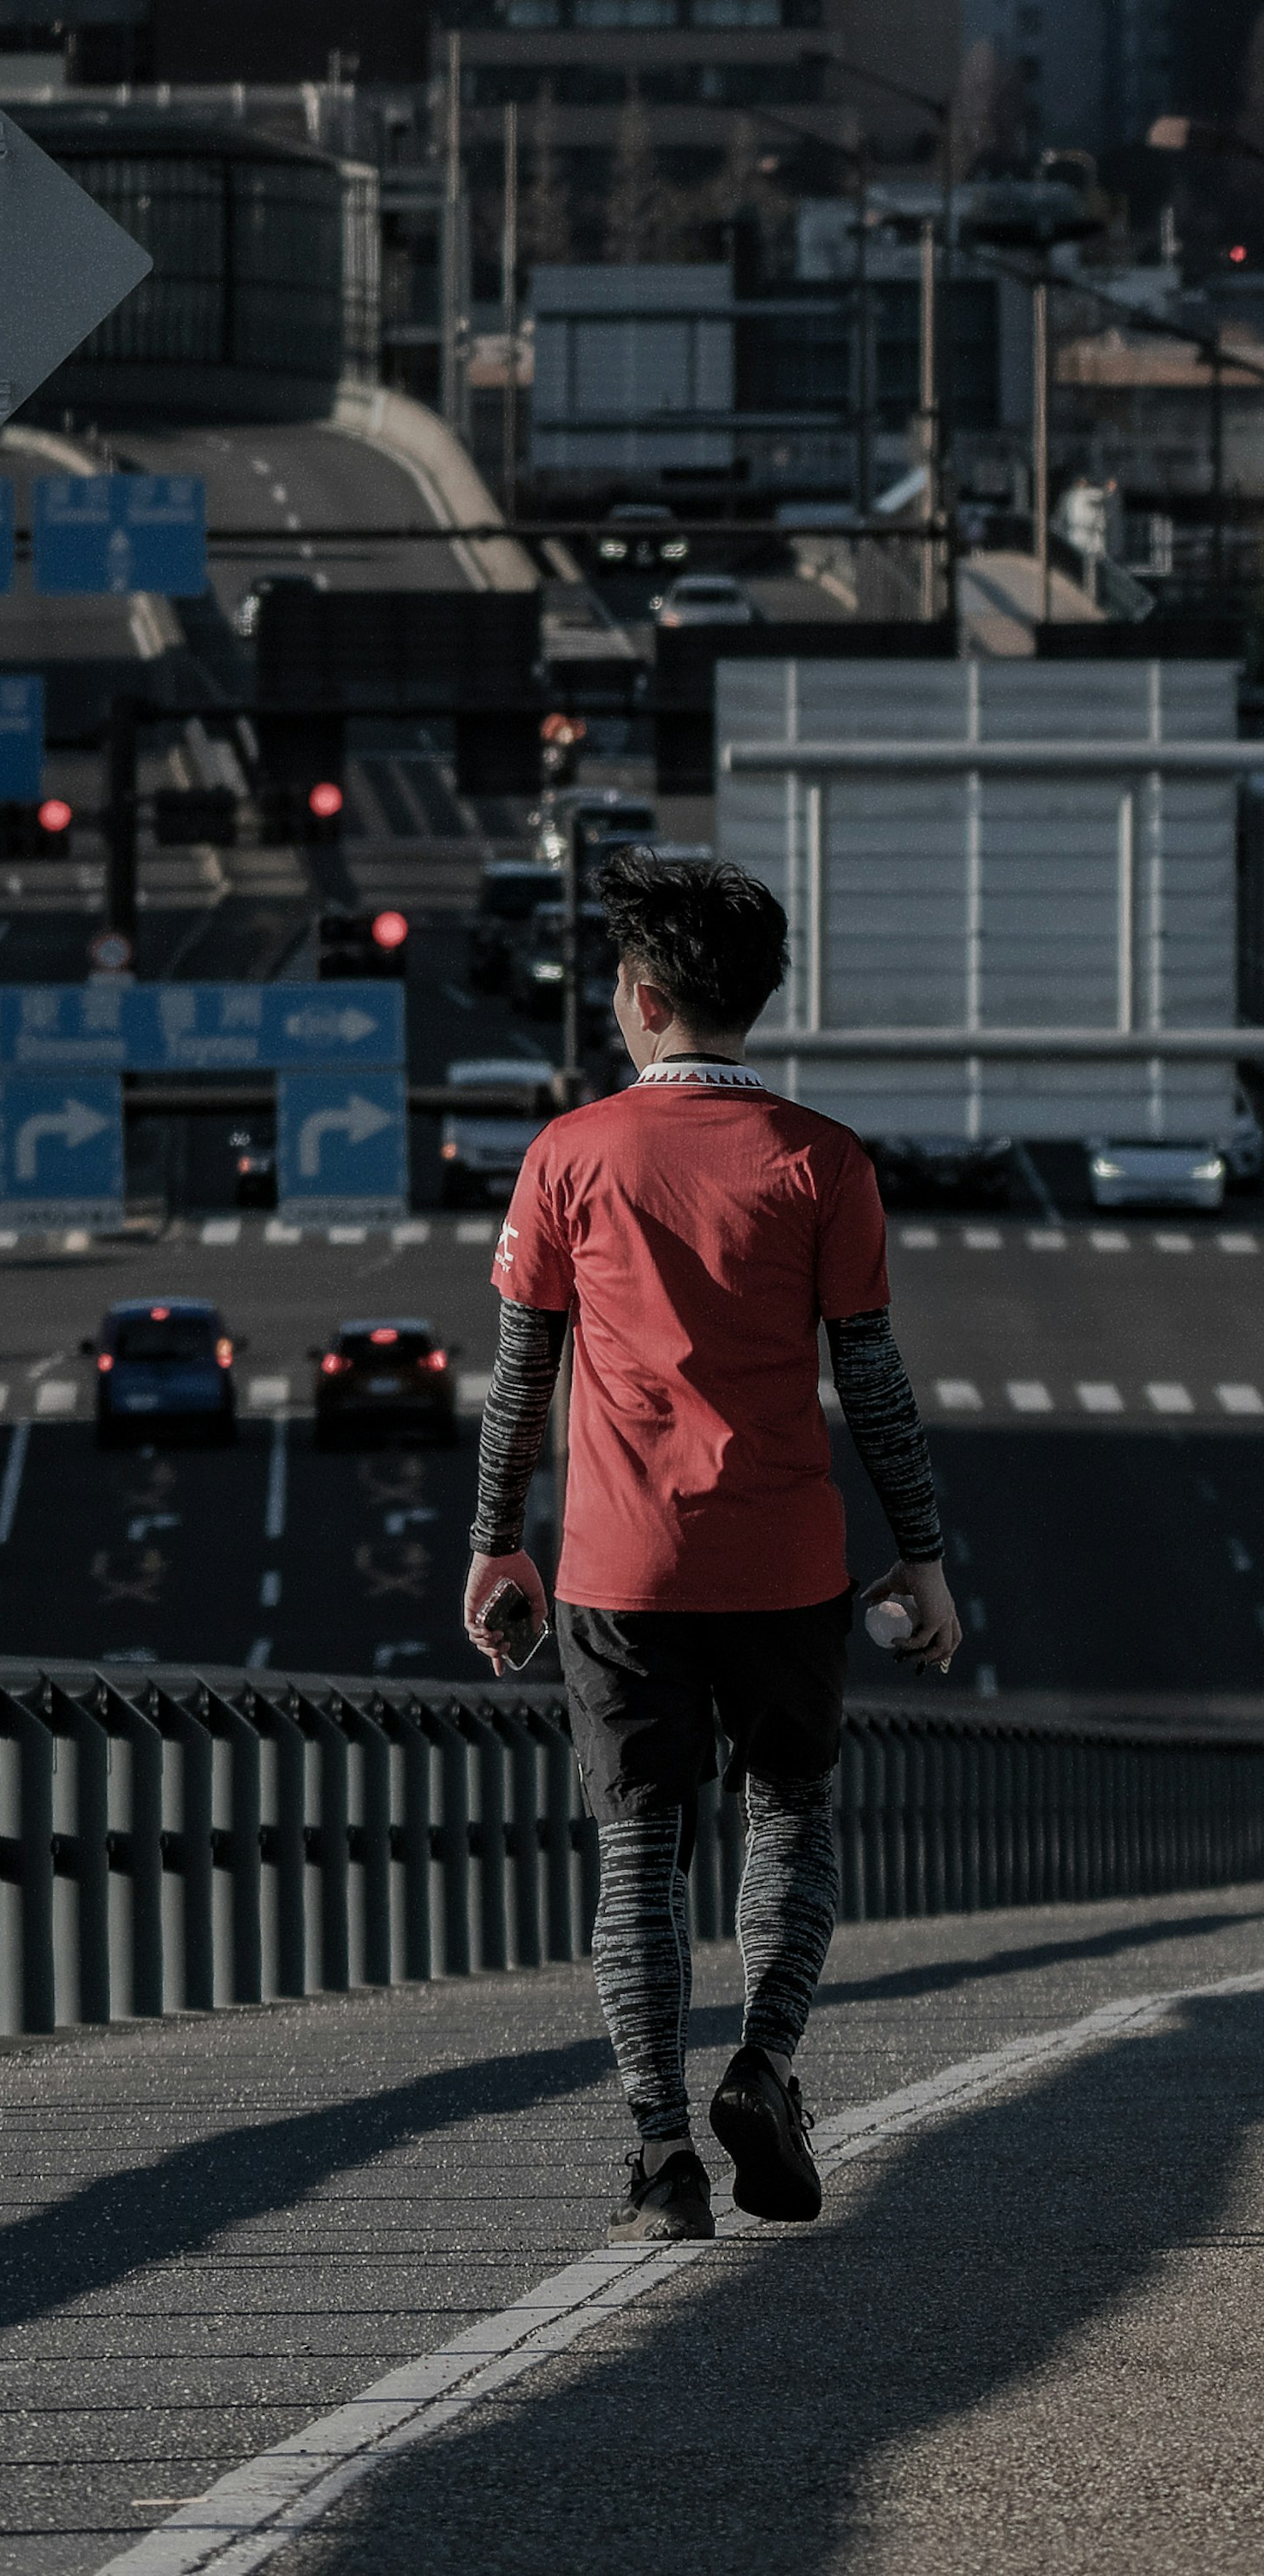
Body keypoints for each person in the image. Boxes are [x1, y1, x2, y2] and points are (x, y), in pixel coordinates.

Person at [462, 842, 956, 2242]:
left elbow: (518, 1385)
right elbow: (873, 1380)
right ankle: (766, 2064)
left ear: (638, 996)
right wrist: (920, 1554)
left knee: (639, 1847)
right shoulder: (823, 1159)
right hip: (789, 1559)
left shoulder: (570, 1154)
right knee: (791, 1817)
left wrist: (501, 1546)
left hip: (618, 1569)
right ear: (758, 997)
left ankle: (662, 2150)